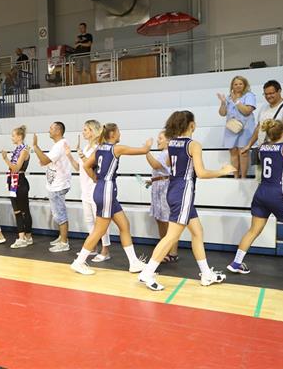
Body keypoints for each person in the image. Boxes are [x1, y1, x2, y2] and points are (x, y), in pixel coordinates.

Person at [138, 111, 236, 290]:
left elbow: (168, 164)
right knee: (171, 236)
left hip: (174, 190)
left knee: (197, 232)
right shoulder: (194, 145)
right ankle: (147, 272)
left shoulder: (172, 143)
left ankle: (206, 274)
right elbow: (201, 173)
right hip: (183, 193)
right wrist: (222, 171)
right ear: (192, 125)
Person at [70, 123, 152, 275]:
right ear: (113, 134)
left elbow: (86, 165)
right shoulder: (116, 149)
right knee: (99, 230)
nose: (120, 134)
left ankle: (134, 262)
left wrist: (95, 178)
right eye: (119, 132)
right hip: (106, 191)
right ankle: (79, 262)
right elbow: (144, 150)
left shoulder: (99, 148)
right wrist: (148, 144)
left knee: (124, 225)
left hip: (103, 190)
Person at [227, 120, 283, 279]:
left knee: (253, 230)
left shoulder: (262, 147)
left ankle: (236, 263)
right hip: (277, 193)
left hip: (261, 193)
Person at [65, 120, 111, 262]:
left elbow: (93, 167)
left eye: (85, 129)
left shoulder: (98, 148)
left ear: (92, 131)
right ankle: (93, 247)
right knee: (89, 221)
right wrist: (69, 155)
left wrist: (82, 157)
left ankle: (105, 250)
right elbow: (79, 168)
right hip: (85, 190)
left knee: (100, 222)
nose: (83, 132)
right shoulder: (85, 148)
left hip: (95, 189)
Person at [32, 122, 72, 252]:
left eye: (51, 128)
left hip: (58, 185)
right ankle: (62, 238)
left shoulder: (60, 145)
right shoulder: (58, 144)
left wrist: (36, 146)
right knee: (58, 214)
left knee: (60, 214)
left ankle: (64, 242)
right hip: (56, 184)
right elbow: (46, 161)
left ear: (58, 131)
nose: (49, 130)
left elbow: (44, 160)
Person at [241, 80, 283, 160]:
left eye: (271, 93)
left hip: (281, 150)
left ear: (279, 91)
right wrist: (249, 145)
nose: (268, 96)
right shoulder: (263, 107)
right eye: (266, 94)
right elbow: (258, 128)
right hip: (264, 150)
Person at [145, 131, 177, 262]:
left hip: (164, 189)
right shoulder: (163, 152)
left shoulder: (168, 152)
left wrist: (146, 151)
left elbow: (156, 165)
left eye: (160, 138)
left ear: (168, 141)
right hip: (158, 187)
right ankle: (164, 248)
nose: (158, 140)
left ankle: (171, 252)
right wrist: (152, 181)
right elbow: (161, 172)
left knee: (166, 220)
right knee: (160, 219)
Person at [217, 76, 256, 178]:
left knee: (243, 153)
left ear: (245, 85)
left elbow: (247, 111)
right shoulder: (229, 97)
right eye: (235, 84)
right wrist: (223, 103)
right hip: (231, 128)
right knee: (233, 152)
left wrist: (236, 101)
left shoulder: (249, 95)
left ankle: (243, 177)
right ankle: (235, 176)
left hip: (245, 128)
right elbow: (222, 113)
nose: (238, 86)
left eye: (240, 84)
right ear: (232, 86)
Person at [1, 125, 33, 248]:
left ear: (20, 137)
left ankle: (23, 237)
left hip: (19, 181)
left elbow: (16, 168)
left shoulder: (24, 150)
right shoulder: (18, 150)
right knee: (20, 210)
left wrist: (5, 159)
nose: (12, 138)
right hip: (15, 181)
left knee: (21, 211)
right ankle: (26, 236)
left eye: (13, 135)